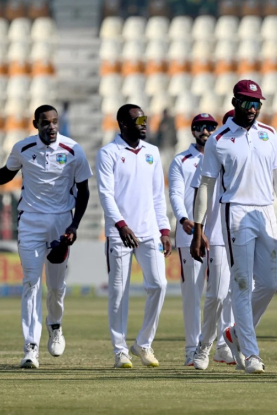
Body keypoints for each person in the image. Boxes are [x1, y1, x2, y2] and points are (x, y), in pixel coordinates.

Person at [191, 80, 277, 374]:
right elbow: (206, 185)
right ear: (235, 102)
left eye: (257, 103)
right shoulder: (218, 139)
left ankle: (234, 333)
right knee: (242, 284)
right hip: (236, 211)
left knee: (270, 283)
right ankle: (251, 352)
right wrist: (198, 228)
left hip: (266, 210)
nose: (253, 108)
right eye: (247, 102)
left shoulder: (270, 135)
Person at [0, 105, 92, 369]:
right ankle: (31, 347)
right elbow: (6, 174)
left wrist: (74, 225)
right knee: (30, 283)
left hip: (61, 223)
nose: (51, 127)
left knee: (56, 286)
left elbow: (84, 191)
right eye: (45, 122)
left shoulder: (73, 150)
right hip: (29, 221)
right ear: (35, 124)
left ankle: (55, 325)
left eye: (54, 122)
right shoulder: (23, 149)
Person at [96, 104, 171, 369]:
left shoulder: (152, 152)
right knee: (118, 292)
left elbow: (157, 195)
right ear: (122, 124)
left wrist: (164, 229)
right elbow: (105, 194)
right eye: (137, 119)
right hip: (120, 234)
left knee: (159, 285)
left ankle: (143, 343)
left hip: (150, 232)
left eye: (144, 118)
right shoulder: (108, 153)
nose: (143, 123)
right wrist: (121, 225)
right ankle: (120, 350)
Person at [168, 112, 234, 368]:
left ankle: (221, 346)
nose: (205, 131)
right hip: (190, 234)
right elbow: (175, 193)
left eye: (210, 127)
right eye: (200, 127)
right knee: (193, 294)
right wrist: (183, 218)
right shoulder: (182, 160)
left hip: (218, 232)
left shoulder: (223, 155)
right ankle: (192, 348)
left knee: (223, 293)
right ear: (193, 131)